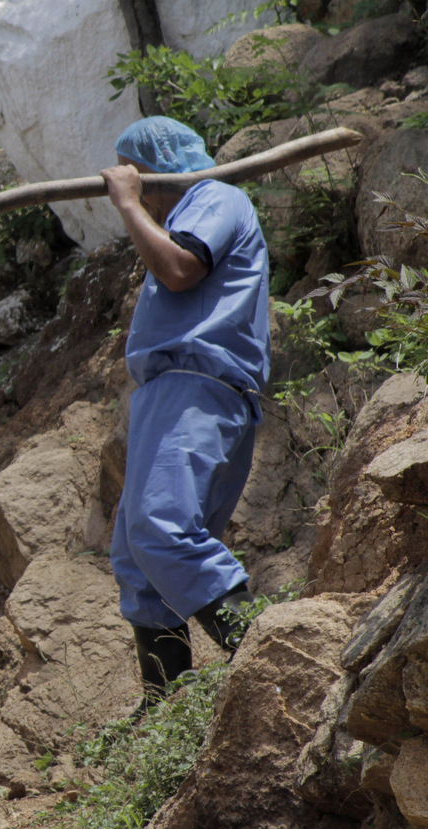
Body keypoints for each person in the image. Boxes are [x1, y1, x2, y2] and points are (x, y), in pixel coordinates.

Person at [100, 116, 269, 708]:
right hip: (166, 393)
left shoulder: (216, 196)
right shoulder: (178, 217)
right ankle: (166, 705)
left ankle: (269, 653)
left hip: (198, 385)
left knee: (161, 528)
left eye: (136, 176)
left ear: (148, 173)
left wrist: (126, 203)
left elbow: (179, 270)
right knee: (136, 557)